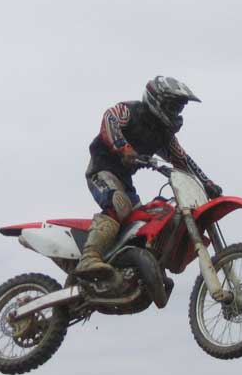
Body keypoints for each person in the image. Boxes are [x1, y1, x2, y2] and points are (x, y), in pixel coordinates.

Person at [73, 76, 223, 277]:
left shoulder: (164, 135)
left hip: (124, 181)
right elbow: (110, 118)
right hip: (101, 170)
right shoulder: (131, 111)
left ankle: (133, 270)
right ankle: (89, 258)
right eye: (173, 106)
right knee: (118, 205)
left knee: (143, 220)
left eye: (179, 108)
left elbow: (182, 159)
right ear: (157, 100)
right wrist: (124, 148)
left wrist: (207, 182)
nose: (176, 112)